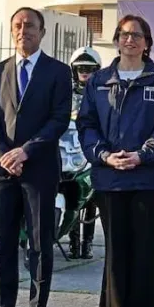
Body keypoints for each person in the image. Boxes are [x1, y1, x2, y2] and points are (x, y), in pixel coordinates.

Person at [77, 15, 154, 307]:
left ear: (147, 42)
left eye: (137, 35)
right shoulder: (99, 81)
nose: (130, 40)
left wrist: (142, 154)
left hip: (146, 178)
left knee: (144, 248)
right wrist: (105, 155)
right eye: (124, 35)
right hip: (110, 178)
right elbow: (87, 124)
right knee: (115, 248)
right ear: (117, 40)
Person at [0, 7, 73, 307]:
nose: (23, 31)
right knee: (4, 241)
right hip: (3, 170)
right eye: (17, 26)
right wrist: (5, 153)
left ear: (42, 31)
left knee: (39, 241)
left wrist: (26, 151)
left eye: (30, 26)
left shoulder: (59, 72)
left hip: (40, 169)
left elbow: (59, 119)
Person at [67, 46, 103, 259]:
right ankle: (72, 241)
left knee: (90, 198)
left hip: (93, 151)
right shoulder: (66, 93)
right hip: (69, 150)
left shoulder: (102, 92)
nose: (84, 72)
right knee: (72, 196)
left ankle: (87, 242)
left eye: (89, 68)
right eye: (80, 68)